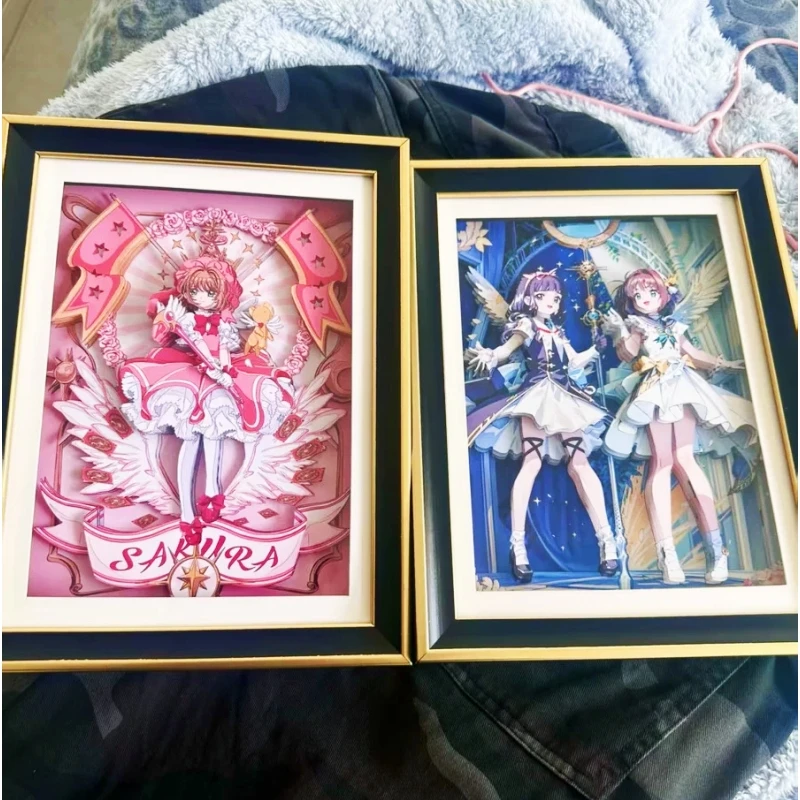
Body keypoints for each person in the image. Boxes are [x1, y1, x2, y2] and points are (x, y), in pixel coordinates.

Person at [119, 229, 294, 544]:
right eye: (195, 291)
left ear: (221, 294)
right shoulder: (184, 321)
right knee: (190, 440)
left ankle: (213, 489)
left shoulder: (224, 323)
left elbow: (224, 349)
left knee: (214, 435)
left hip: (217, 379)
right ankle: (187, 511)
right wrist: (171, 321)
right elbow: (179, 339)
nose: (201, 297)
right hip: (187, 378)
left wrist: (225, 371)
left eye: (209, 292)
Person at [602, 268, 755, 585]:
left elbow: (693, 354)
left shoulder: (673, 324)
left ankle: (716, 550)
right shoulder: (637, 325)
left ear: (663, 295)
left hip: (682, 386)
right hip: (654, 388)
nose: (646, 299)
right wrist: (621, 331)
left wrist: (725, 364)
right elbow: (628, 354)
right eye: (638, 295)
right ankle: (667, 554)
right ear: (631, 301)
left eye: (651, 292)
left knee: (686, 460)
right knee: (662, 462)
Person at [466, 268, 618, 583]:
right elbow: (507, 350)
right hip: (536, 396)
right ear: (530, 298)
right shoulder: (526, 324)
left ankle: (607, 540)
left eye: (556, 297)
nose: (552, 302)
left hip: (564, 395)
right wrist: (491, 355)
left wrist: (598, 347)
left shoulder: (557, 330)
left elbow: (574, 361)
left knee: (580, 463)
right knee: (531, 462)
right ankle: (518, 545)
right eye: (544, 296)